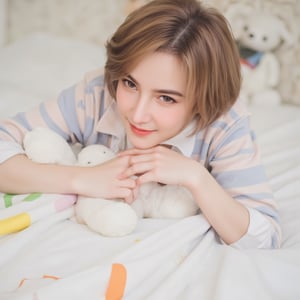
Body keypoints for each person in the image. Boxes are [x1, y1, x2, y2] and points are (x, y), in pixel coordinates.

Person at [0, 0, 280, 249]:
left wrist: (197, 178)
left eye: (166, 98)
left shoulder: (225, 124)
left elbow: (264, 236)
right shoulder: (97, 92)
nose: (138, 114)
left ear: (201, 101)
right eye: (130, 83)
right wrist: (82, 178)